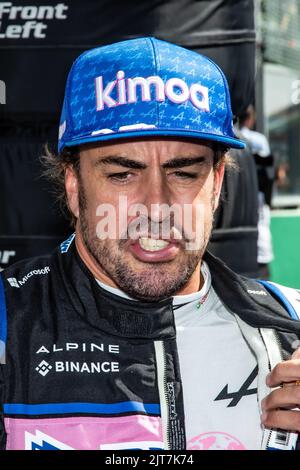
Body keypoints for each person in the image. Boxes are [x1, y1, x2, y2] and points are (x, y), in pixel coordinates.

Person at [1, 37, 300, 451]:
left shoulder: (290, 329)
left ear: (215, 184)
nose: (156, 207)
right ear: (73, 186)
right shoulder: (8, 327)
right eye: (123, 174)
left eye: (183, 173)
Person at [239, 105, 275, 279]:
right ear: (251, 119)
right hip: (257, 200)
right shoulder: (258, 140)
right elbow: (268, 173)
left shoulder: (231, 136)